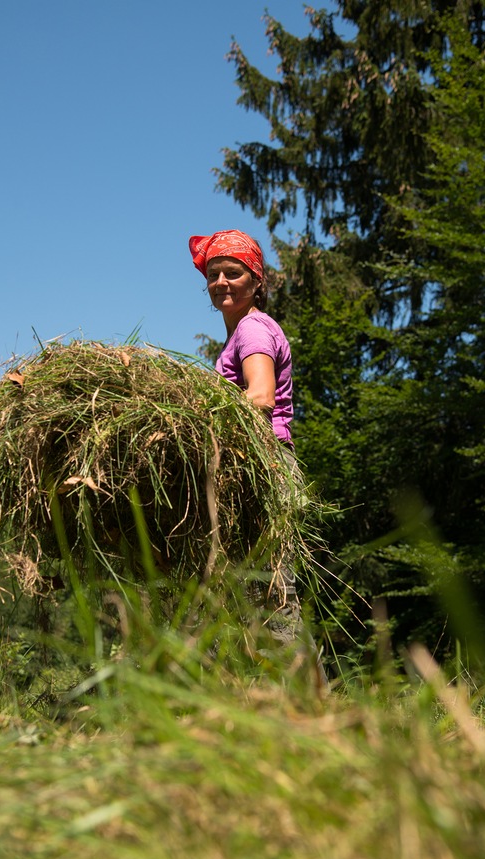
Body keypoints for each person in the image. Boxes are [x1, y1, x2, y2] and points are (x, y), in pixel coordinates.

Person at [189, 229, 327, 686]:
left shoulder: (252, 328)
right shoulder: (240, 334)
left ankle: (313, 704)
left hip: (264, 467)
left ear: (256, 281)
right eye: (214, 274)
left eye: (233, 272)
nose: (222, 281)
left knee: (268, 590)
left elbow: (261, 396)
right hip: (253, 467)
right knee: (245, 592)